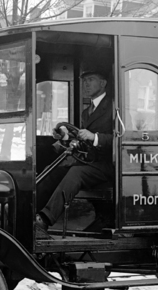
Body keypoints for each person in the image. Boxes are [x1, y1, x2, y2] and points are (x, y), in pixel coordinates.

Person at [34, 69, 113, 239]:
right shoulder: (87, 111)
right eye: (84, 80)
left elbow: (123, 138)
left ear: (103, 83)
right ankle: (30, 214)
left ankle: (45, 220)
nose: (86, 84)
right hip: (89, 162)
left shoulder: (114, 108)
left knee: (76, 172)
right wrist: (65, 137)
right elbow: (82, 139)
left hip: (109, 165)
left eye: (90, 80)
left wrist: (95, 137)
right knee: (53, 171)